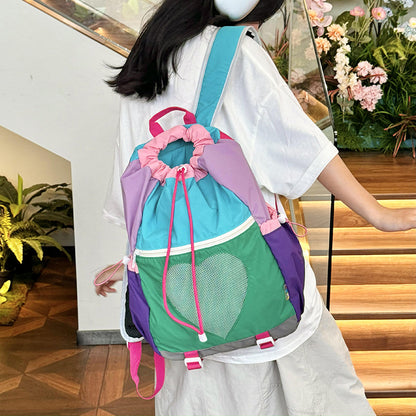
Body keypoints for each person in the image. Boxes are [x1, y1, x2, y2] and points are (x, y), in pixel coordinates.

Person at [96, 1, 416, 415]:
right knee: (307, 391)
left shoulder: (150, 53)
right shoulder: (236, 52)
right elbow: (301, 146)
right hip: (252, 272)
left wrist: (132, 261)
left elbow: (136, 182)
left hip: (177, 291)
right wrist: (379, 214)